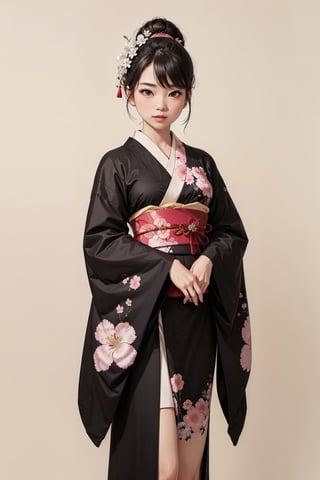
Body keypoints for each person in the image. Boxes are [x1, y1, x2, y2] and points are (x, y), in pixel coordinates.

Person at [78, 17, 251, 480]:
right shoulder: (117, 165)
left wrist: (210, 261)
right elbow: (100, 241)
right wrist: (167, 268)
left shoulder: (202, 164)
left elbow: (230, 232)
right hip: (147, 317)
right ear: (129, 91)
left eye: (174, 93)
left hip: (195, 318)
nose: (162, 104)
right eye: (150, 90)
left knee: (190, 468)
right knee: (163, 469)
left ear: (187, 95)